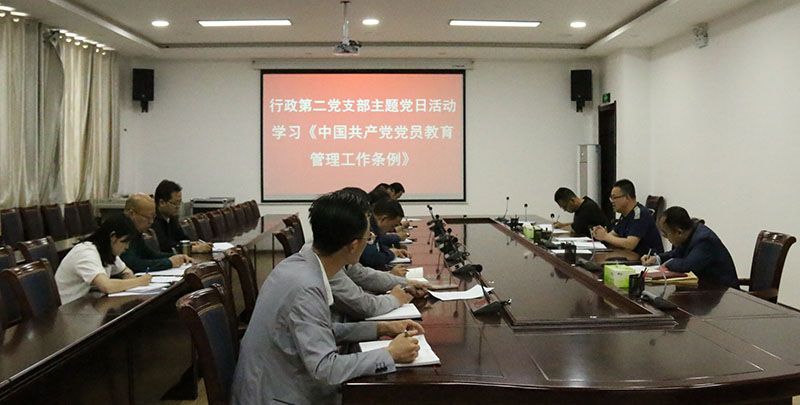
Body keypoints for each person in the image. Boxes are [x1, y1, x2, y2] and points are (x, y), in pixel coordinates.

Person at [231, 190, 424, 405]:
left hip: (271, 383)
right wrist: (390, 354)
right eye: (368, 238)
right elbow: (325, 369)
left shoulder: (297, 264)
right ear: (353, 246)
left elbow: (321, 330)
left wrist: (381, 328)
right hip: (274, 396)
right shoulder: (307, 288)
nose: (368, 243)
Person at [55, 214, 152, 304]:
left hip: (87, 304)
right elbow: (107, 286)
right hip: (69, 309)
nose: (127, 247)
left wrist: (127, 277)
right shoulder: (86, 253)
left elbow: (125, 270)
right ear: (113, 237)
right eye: (125, 242)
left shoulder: (107, 251)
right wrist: (138, 282)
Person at [641, 206, 738, 288]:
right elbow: (676, 253)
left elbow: (689, 266)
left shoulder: (704, 240)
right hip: (703, 289)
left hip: (723, 292)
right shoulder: (689, 234)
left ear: (679, 232)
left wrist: (669, 263)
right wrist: (657, 258)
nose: (666, 237)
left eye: (666, 234)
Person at [120, 193, 192, 273]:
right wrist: (169, 262)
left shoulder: (136, 231)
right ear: (131, 214)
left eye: (153, 217)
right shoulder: (120, 231)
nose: (151, 222)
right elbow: (132, 264)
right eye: (148, 217)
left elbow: (149, 255)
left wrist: (177, 257)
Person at [591, 179, 663, 255]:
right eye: (611, 198)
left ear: (627, 198)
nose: (612, 201)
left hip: (646, 259)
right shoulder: (625, 215)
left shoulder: (640, 214)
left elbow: (630, 244)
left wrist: (605, 236)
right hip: (630, 257)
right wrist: (600, 233)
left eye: (614, 198)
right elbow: (613, 235)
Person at [150, 179, 212, 254]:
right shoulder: (152, 221)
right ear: (161, 203)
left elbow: (181, 238)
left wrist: (191, 243)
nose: (178, 207)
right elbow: (164, 246)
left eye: (179, 203)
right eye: (175, 203)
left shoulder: (172, 218)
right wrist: (192, 249)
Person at [359, 197, 411, 270]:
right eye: (393, 225)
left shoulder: (374, 227)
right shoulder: (368, 228)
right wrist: (392, 254)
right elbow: (372, 258)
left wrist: (394, 251)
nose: (392, 230)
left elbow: (378, 245)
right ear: (384, 219)